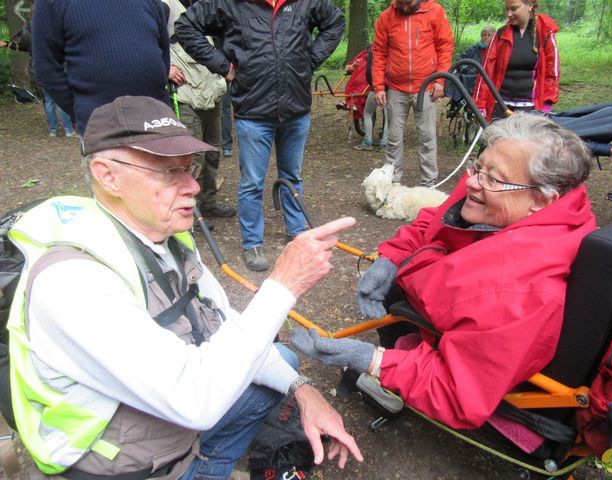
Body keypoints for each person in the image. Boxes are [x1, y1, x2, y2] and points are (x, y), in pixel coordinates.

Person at [7, 96, 362, 479]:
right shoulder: (72, 282)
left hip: (166, 417)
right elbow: (196, 399)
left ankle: (209, 466)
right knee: (247, 372)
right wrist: (283, 283)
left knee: (282, 363)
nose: (194, 185)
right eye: (168, 172)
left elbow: (228, 326)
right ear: (108, 176)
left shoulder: (163, 237)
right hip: (117, 465)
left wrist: (304, 390)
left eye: (189, 169)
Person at [291, 113, 596, 429]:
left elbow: (456, 393)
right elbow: (435, 219)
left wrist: (371, 360)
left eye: (493, 178)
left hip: (442, 330)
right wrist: (389, 258)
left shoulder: (519, 293)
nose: (473, 182)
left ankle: (393, 383)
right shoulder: (501, 200)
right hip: (431, 293)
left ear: (541, 199)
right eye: (478, 167)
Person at [174, 0, 345, 271]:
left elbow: (335, 22)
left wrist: (310, 60)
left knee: (293, 176)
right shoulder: (229, 3)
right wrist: (222, 64)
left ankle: (296, 232)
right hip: (253, 110)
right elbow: (185, 26)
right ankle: (252, 243)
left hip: (296, 107)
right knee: (252, 182)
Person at [31, 0, 172, 135]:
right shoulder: (53, 3)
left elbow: (163, 53)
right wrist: (83, 111)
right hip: (102, 129)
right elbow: (46, 67)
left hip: (156, 120)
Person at [164, 0, 235, 219]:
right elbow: (143, 38)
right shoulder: (165, 5)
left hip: (212, 88)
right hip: (186, 91)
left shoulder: (212, 5)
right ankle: (190, 212)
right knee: (191, 157)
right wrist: (163, 65)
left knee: (212, 151)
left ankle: (207, 204)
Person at [372, 0, 454, 186]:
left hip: (426, 86)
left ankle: (429, 183)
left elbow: (445, 46)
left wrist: (440, 80)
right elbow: (378, 53)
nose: (405, 7)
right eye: (401, 4)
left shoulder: (434, 11)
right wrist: (378, 86)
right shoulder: (387, 17)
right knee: (393, 138)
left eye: (409, 3)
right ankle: (391, 182)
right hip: (396, 88)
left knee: (427, 137)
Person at [473, 0, 560, 120]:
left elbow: (552, 73)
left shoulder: (545, 33)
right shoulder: (500, 34)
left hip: (531, 108)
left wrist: (546, 105)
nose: (509, 14)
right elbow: (486, 72)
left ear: (529, 5)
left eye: (514, 9)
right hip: (500, 105)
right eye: (506, 9)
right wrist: (480, 105)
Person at [1, 19, 77, 137]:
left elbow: (20, 46)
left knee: (49, 100)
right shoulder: (51, 29)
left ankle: (53, 130)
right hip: (55, 65)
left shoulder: (27, 31)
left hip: (39, 66)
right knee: (61, 99)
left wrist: (6, 44)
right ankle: (68, 130)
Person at [348, 45, 389, 152]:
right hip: (390, 87)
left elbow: (368, 71)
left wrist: (372, 84)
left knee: (368, 113)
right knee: (388, 115)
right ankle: (384, 143)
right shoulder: (394, 51)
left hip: (375, 88)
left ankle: (367, 141)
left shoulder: (373, 51)